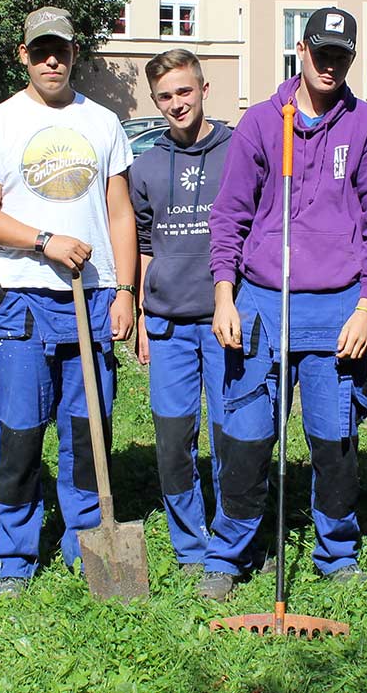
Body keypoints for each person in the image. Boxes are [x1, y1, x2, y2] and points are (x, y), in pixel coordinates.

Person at [201, 7, 367, 600]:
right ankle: (230, 551)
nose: (330, 65)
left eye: (342, 55)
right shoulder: (263, 122)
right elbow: (229, 215)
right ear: (301, 50)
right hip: (262, 303)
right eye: (322, 52)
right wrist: (224, 294)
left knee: (334, 441)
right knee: (246, 438)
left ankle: (336, 552)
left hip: (336, 307)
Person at [0, 7, 136, 599]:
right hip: (22, 299)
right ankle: (13, 558)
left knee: (87, 433)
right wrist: (44, 241)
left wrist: (125, 290)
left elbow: (119, 213)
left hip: (92, 297)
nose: (52, 60)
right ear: (24, 56)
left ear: (75, 52)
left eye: (60, 49)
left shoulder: (104, 123)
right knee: (18, 434)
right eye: (41, 51)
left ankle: (86, 545)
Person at [131, 49, 235, 575]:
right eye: (165, 96)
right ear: (155, 101)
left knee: (232, 437)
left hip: (225, 322)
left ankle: (234, 536)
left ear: (204, 89)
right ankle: (191, 546)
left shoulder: (238, 152)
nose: (177, 103)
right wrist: (142, 314)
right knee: (174, 440)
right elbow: (143, 244)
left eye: (185, 91)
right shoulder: (146, 166)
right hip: (168, 324)